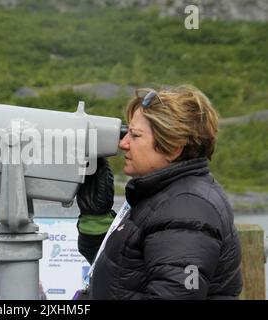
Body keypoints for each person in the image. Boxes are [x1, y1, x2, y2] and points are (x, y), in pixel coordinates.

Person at [76, 85, 243, 300]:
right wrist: (96, 218)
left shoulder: (187, 210)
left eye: (135, 136)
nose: (123, 143)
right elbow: (122, 274)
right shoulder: (165, 197)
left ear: (172, 147)